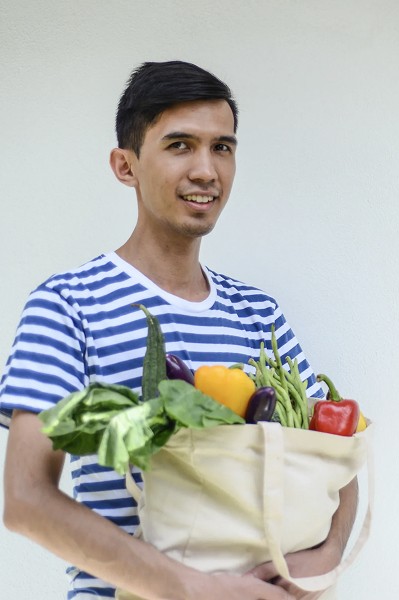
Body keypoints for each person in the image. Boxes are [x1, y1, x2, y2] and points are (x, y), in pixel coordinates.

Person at [0, 61, 358, 600]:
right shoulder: (69, 303)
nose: (206, 171)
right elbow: (25, 499)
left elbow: (337, 462)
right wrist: (192, 588)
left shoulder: (259, 313)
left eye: (222, 147)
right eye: (179, 145)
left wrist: (323, 559)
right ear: (126, 166)